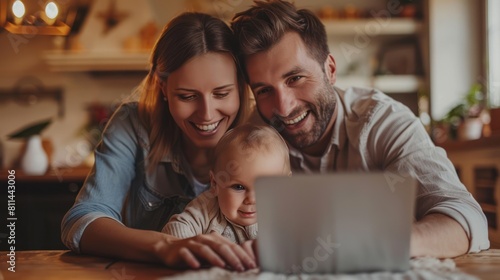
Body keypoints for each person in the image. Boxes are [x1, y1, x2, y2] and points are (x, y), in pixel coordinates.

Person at [231, 0, 489, 258]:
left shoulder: (383, 122)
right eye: (264, 90)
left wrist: (379, 241)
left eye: (295, 78)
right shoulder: (252, 138)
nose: (284, 108)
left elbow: (466, 220)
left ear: (330, 70)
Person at [61, 12, 257, 271]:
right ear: (162, 87)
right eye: (187, 96)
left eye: (222, 93)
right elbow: (81, 221)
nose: (207, 114)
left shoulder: (262, 133)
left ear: (241, 86)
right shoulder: (133, 123)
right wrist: (164, 246)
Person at [162, 124, 291, 244]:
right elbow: (175, 229)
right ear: (215, 183)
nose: (251, 200)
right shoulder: (208, 207)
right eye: (239, 187)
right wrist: (193, 248)